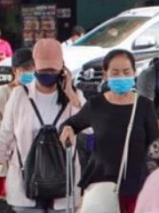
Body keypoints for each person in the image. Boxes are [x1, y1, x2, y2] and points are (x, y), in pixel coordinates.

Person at [0, 39, 83, 213]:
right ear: (35, 67)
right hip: (25, 186)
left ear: (63, 69)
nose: (48, 74)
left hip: (63, 186)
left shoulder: (74, 97)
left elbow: (88, 127)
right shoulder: (20, 95)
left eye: (53, 69)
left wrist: (70, 91)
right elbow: (5, 135)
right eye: (43, 69)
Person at [60, 49, 159, 213]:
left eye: (126, 71)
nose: (121, 76)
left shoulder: (144, 106)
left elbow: (154, 146)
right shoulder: (96, 106)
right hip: (102, 187)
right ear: (105, 75)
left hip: (137, 189)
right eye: (115, 72)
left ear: (134, 73)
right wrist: (68, 129)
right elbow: (71, 124)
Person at [0, 49, 34, 200]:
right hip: (6, 162)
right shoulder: (3, 92)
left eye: (33, 69)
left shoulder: (36, 93)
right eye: (26, 69)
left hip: (31, 162)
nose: (30, 72)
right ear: (15, 70)